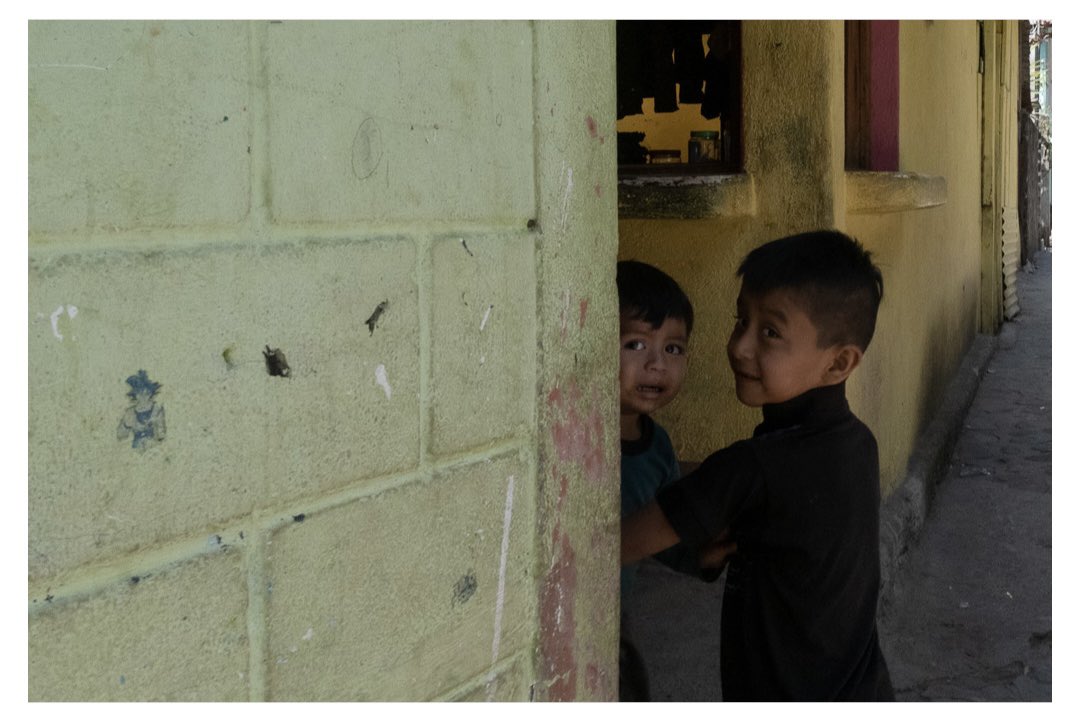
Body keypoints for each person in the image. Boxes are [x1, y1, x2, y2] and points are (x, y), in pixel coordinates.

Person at [621, 230, 895, 701]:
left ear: (839, 363)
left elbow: (609, 548)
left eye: (770, 332)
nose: (739, 347)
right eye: (740, 320)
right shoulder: (858, 445)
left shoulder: (751, 470)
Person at [615, 260, 697, 702]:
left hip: (616, 610)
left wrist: (703, 553)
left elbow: (663, 529)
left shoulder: (658, 446)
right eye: (635, 344)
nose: (656, 365)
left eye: (673, 349)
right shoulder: (580, 442)